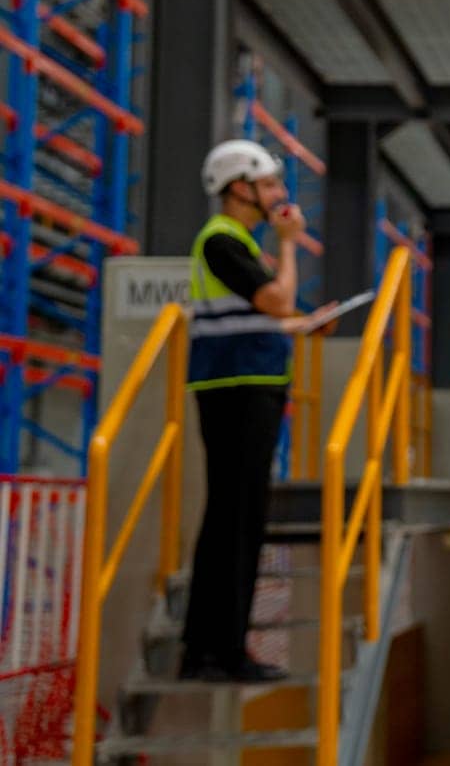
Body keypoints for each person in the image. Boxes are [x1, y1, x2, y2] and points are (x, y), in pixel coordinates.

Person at [179, 139, 305, 682]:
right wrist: (291, 246)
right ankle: (218, 653)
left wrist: (304, 324)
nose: (279, 193)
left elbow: (269, 314)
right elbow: (277, 301)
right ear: (239, 188)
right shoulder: (222, 241)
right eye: (270, 183)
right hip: (236, 391)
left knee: (239, 520)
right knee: (235, 522)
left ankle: (214, 650)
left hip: (247, 387)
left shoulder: (243, 246)